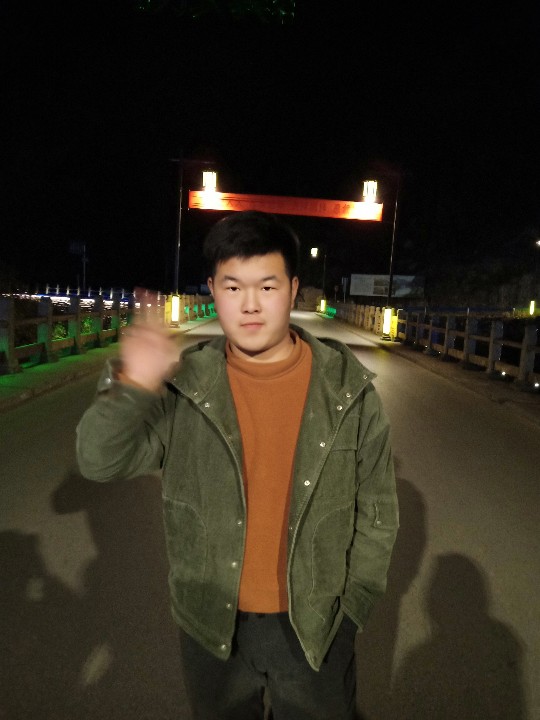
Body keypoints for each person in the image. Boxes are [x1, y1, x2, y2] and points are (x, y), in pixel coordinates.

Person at [76, 210, 399, 720]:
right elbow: (98, 461)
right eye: (233, 287)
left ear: (293, 290)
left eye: (267, 287)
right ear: (212, 290)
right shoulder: (185, 386)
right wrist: (132, 385)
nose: (250, 304)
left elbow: (378, 512)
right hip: (211, 623)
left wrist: (352, 607)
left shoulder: (347, 391)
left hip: (316, 623)